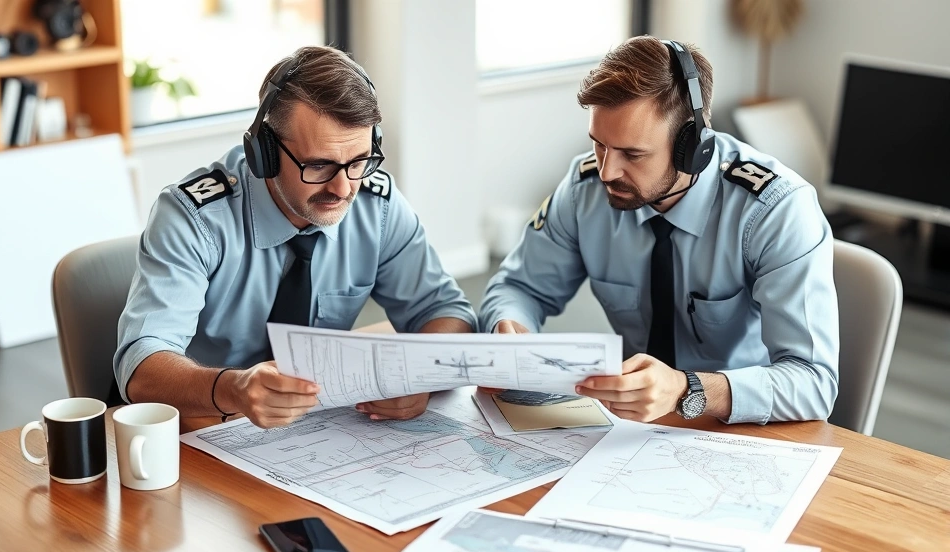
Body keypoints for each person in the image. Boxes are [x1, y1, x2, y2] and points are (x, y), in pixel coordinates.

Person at [479, 36, 838, 425]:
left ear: (692, 146)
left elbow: (813, 382)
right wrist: (508, 327)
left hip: (738, 422)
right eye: (599, 145)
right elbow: (518, 287)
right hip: (631, 422)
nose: (606, 172)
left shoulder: (776, 210)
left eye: (632, 154)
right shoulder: (584, 191)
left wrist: (688, 390)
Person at [115, 46, 476, 429]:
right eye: (319, 165)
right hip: (207, 421)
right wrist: (233, 387)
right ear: (264, 153)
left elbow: (448, 312)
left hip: (316, 429)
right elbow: (141, 365)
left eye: (358, 162)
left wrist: (417, 373)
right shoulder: (192, 219)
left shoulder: (377, 206)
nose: (343, 188)